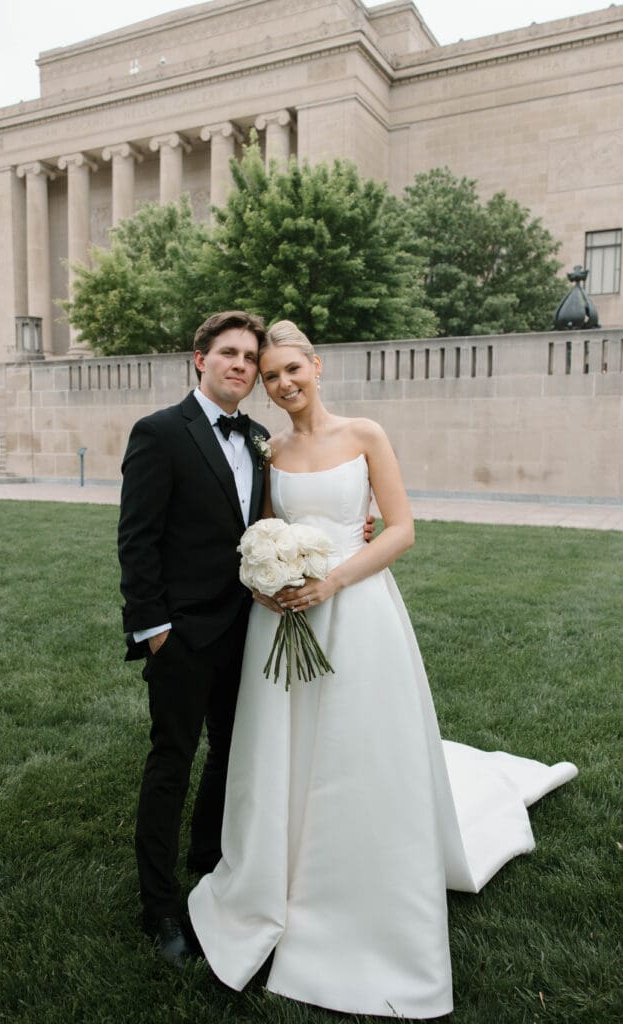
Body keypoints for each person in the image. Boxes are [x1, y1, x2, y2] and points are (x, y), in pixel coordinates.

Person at [188, 321, 577, 1018]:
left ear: (316, 366)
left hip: (357, 607)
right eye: (270, 377)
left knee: (358, 742)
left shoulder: (364, 434)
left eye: (290, 370)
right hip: (283, 616)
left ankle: (358, 874)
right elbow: (268, 531)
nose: (282, 384)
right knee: (285, 744)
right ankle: (277, 869)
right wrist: (266, 578)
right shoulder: (269, 451)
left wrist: (331, 581)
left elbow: (399, 527)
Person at [117, 310, 269, 965]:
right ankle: (158, 907)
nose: (241, 364)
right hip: (180, 635)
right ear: (198, 360)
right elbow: (137, 539)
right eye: (228, 352)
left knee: (232, 757)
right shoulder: (159, 432)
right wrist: (154, 631)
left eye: (250, 358)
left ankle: (208, 864)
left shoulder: (261, 436)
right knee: (171, 763)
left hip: (248, 630)